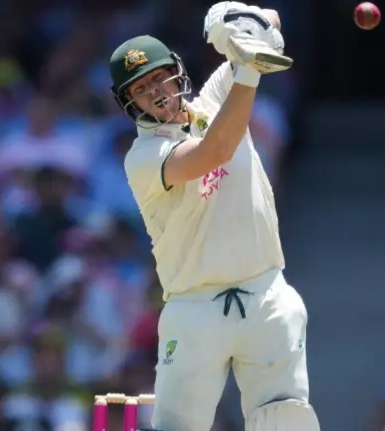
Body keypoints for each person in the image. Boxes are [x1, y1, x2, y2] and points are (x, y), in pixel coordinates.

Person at [108, 2, 318, 431]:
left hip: (267, 294)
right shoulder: (144, 157)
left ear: (177, 70)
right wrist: (249, 66)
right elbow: (214, 151)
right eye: (141, 89)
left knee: (287, 419)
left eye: (158, 77)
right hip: (195, 309)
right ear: (128, 102)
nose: (156, 91)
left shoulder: (218, 94)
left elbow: (272, 20)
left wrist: (232, 24)